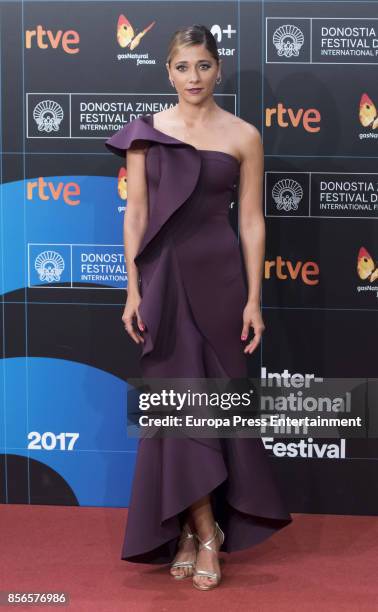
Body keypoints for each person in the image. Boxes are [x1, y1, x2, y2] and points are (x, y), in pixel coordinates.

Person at [105, 24, 292, 591]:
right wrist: (133, 288)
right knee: (178, 410)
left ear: (219, 68)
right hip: (161, 281)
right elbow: (135, 214)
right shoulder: (146, 134)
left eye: (204, 66)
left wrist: (255, 299)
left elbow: (252, 220)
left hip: (221, 282)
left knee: (210, 410)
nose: (194, 77)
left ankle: (192, 532)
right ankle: (206, 531)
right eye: (183, 67)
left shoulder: (243, 136)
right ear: (168, 71)